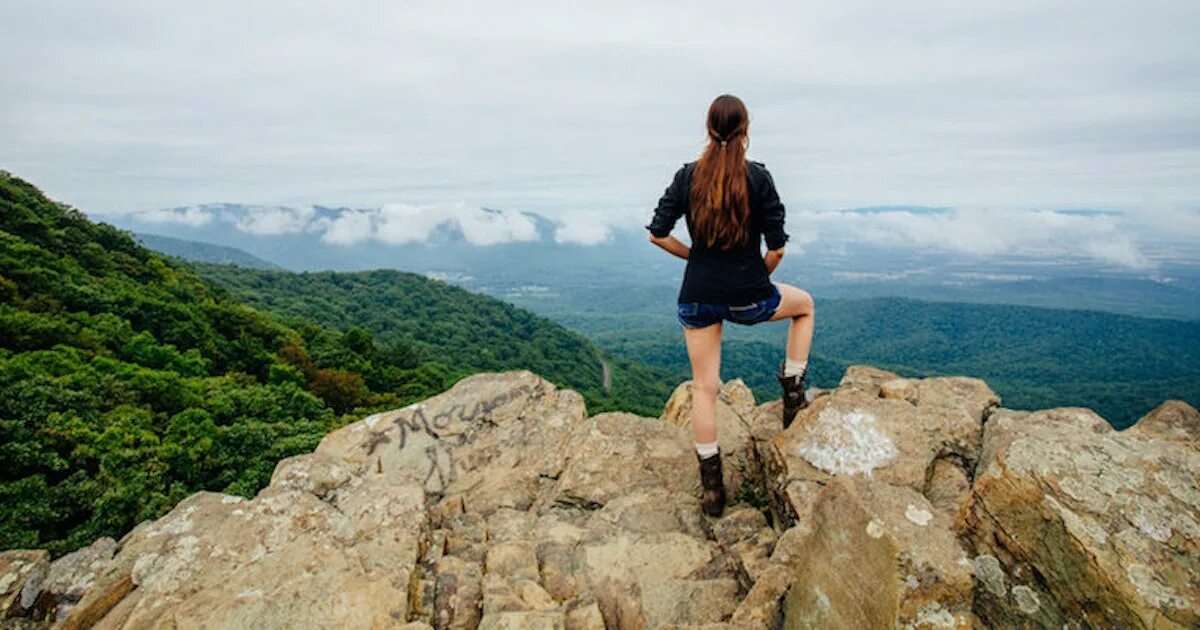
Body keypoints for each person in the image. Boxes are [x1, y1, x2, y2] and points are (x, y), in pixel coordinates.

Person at [645, 94, 816, 517]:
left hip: (698, 297)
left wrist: (696, 257)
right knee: (805, 307)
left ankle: (712, 489)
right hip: (749, 295)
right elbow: (777, 247)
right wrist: (757, 271)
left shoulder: (688, 177)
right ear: (746, 130)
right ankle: (793, 392)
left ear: (708, 129)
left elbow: (657, 234)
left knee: (704, 388)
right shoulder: (757, 178)